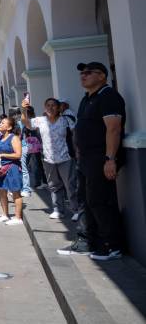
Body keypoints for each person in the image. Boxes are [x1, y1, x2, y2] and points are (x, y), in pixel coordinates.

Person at [57, 62, 125, 261]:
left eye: (88, 72)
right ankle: (88, 242)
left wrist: (110, 159)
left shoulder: (108, 96)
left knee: (100, 201)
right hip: (85, 159)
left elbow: (114, 129)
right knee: (85, 201)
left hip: (100, 158)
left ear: (102, 76)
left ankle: (111, 246)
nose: (83, 76)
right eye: (82, 73)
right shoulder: (87, 99)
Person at [20, 97, 78, 219]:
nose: (50, 108)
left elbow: (74, 136)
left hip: (65, 157)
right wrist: (24, 109)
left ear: (59, 108)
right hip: (48, 159)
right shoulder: (40, 120)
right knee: (54, 185)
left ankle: (76, 210)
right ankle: (58, 210)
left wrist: (77, 151)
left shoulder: (66, 120)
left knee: (70, 185)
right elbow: (26, 122)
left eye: (53, 105)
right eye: (48, 105)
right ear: (45, 108)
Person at [0, 116, 24, 225]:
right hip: (1, 168)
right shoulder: (0, 137)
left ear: (9, 127)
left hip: (12, 168)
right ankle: (5, 215)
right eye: (0, 122)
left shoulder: (14, 138)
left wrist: (2, 155)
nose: (0, 124)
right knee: (1, 191)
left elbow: (18, 154)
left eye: (3, 123)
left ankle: (18, 218)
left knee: (15, 192)